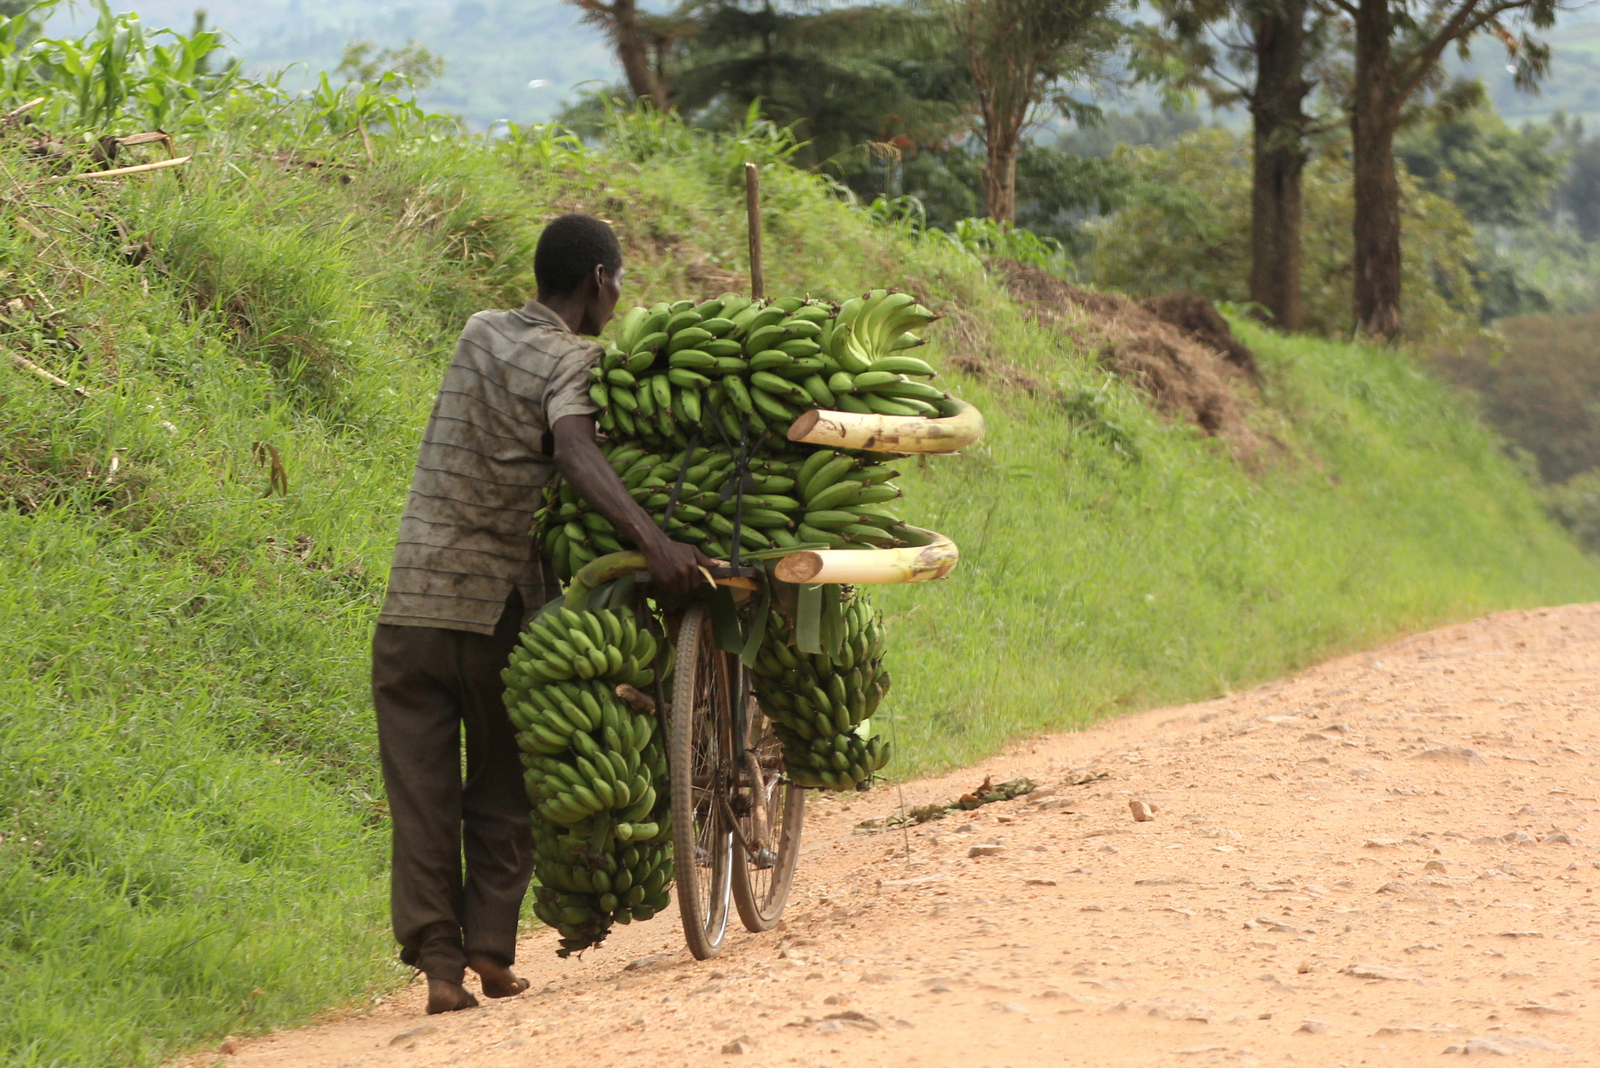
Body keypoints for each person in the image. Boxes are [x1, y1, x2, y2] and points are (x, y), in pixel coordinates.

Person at [371, 213, 711, 1014]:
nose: (619, 297)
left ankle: (446, 968)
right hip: (496, 608)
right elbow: (574, 448)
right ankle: (488, 943)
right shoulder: (578, 358)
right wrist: (653, 541)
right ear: (599, 280)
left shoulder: (479, 330)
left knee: (422, 799)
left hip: (412, 601)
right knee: (502, 787)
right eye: (618, 283)